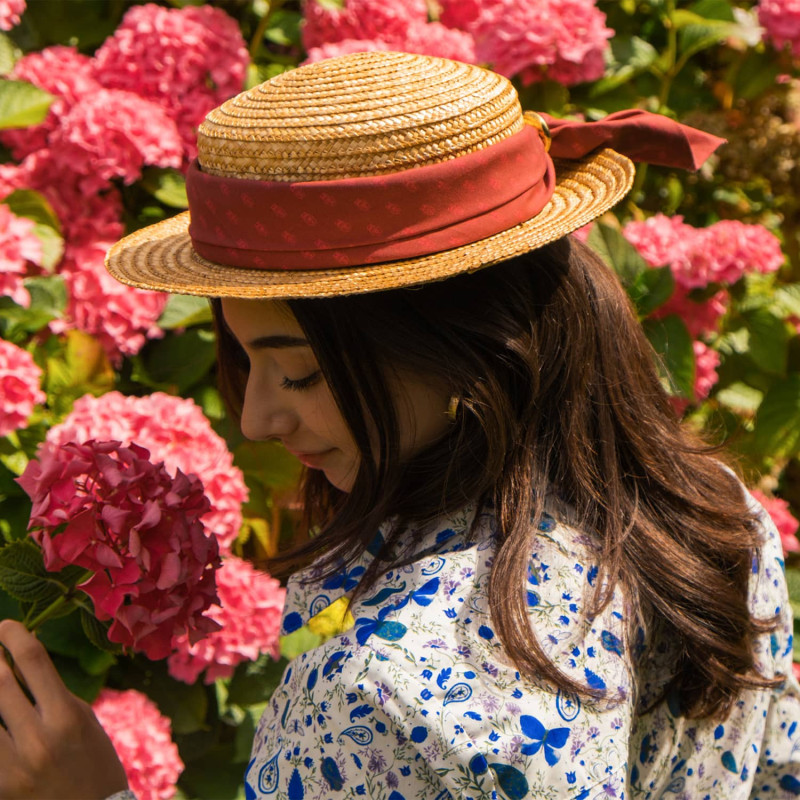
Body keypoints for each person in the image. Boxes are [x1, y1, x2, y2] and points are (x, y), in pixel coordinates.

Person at [0, 51, 797, 799]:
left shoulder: (387, 685)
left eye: (303, 371)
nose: (256, 416)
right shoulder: (713, 518)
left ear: (463, 342)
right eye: (247, 361)